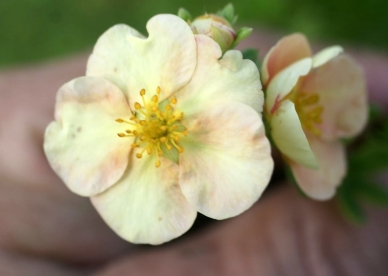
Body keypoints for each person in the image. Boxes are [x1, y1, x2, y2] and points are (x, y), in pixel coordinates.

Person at [0, 31, 387, 276]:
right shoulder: (135, 196)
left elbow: (228, 84)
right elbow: (139, 216)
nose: (150, 125)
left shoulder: (216, 87)